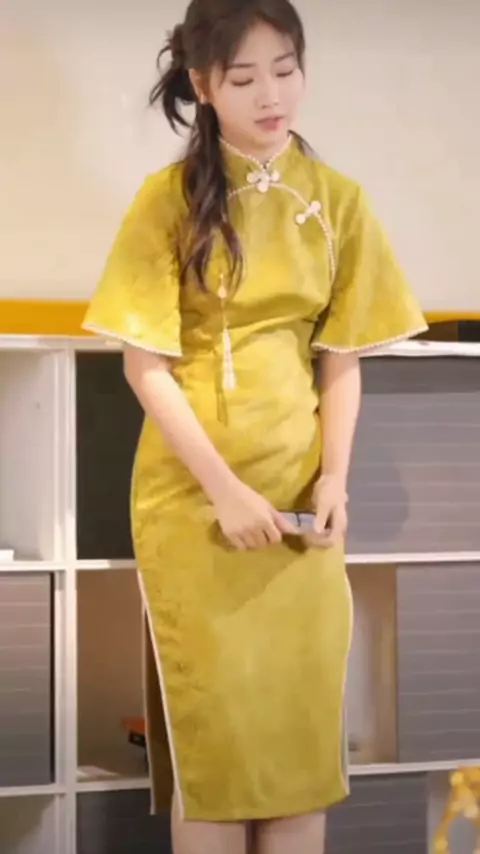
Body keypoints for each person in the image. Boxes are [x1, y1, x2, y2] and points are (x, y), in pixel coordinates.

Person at [83, 0, 427, 851]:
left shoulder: (340, 201)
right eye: (244, 78)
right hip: (197, 507)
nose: (272, 95)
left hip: (303, 506)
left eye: (286, 69)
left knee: (299, 754)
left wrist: (335, 479)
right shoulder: (167, 200)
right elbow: (143, 366)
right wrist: (226, 493)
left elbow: (341, 359)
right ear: (204, 86)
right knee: (219, 759)